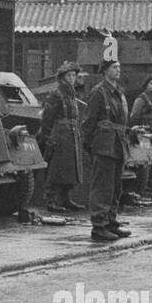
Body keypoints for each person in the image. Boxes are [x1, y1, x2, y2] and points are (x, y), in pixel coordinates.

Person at [82, 59, 131, 242]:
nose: (118, 70)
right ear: (104, 71)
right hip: (104, 144)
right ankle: (99, 226)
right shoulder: (99, 92)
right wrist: (91, 145)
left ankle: (111, 221)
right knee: (103, 187)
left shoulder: (117, 92)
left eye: (119, 67)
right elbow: (88, 122)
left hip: (117, 143)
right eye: (114, 68)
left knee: (115, 186)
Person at [38, 62, 86, 213]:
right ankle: (52, 199)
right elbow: (47, 117)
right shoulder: (56, 94)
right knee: (56, 168)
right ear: (62, 77)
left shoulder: (71, 94)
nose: (72, 78)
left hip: (71, 134)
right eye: (69, 75)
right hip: (59, 134)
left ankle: (66, 198)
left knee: (70, 169)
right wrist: (47, 136)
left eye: (74, 75)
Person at [129, 75, 152, 198]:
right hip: (144, 133)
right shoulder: (141, 99)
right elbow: (134, 116)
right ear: (146, 85)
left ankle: (149, 186)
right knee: (144, 163)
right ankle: (140, 190)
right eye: (151, 83)